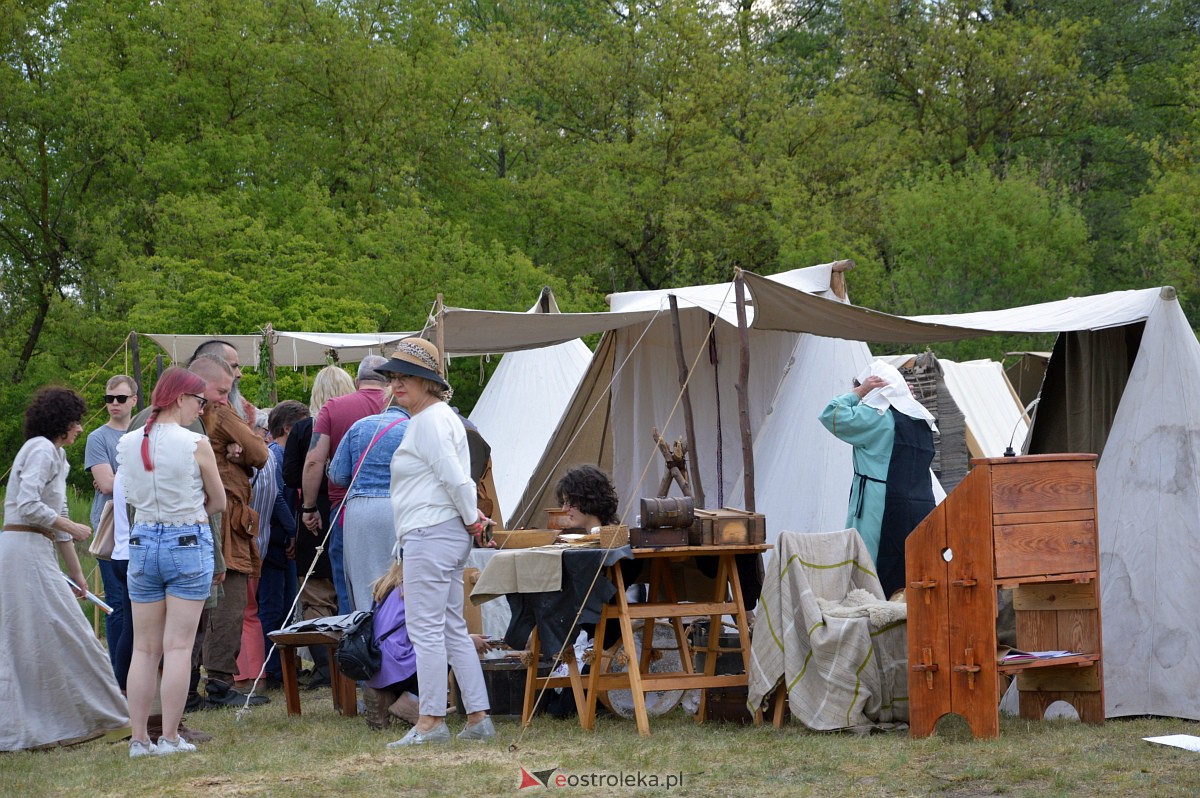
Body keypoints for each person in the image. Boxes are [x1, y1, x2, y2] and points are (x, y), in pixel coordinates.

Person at [0, 387, 128, 752]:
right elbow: (27, 505)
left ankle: (90, 718)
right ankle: (108, 717)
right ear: (62, 421)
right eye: (75, 421)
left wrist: (78, 575)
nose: (79, 428)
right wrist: (70, 528)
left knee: (52, 634)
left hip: (35, 549)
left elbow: (59, 521)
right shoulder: (41, 449)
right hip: (21, 550)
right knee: (46, 634)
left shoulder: (55, 454)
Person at [381, 338, 493, 746]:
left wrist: (471, 518)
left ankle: (430, 721)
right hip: (439, 531)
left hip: (431, 532)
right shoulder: (439, 417)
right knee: (449, 629)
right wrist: (470, 518)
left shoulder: (428, 420)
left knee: (425, 630)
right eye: (394, 377)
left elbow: (453, 476)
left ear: (428, 382)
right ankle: (477, 716)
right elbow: (453, 478)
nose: (398, 384)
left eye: (407, 377)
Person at [118, 367, 226, 756]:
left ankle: (138, 739)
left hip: (143, 542)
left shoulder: (128, 443)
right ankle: (168, 737)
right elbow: (219, 501)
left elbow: (130, 500)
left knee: (144, 649)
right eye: (199, 402)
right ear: (181, 398)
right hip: (186, 540)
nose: (201, 410)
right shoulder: (195, 442)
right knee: (178, 648)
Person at [818, 360, 937, 597]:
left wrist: (858, 392)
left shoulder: (876, 416)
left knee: (872, 566)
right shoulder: (921, 418)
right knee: (914, 568)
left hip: (880, 502)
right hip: (922, 504)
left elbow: (831, 414)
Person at [282, 366, 354, 689]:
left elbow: (289, 475)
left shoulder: (301, 430)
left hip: (312, 516)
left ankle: (325, 666)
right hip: (346, 512)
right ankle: (349, 661)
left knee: (314, 596)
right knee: (345, 590)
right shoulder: (357, 424)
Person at [301, 356, 389, 615]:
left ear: (357, 381)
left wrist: (309, 507)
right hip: (400, 506)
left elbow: (314, 461)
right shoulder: (402, 405)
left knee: (348, 584)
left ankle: (355, 647)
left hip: (347, 507)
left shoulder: (334, 407)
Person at [362, 562, 493, 730]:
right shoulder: (417, 591)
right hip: (398, 666)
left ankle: (384, 695)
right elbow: (434, 635)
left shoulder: (386, 587)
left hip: (377, 666)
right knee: (445, 652)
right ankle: (412, 699)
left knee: (424, 652)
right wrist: (468, 640)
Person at [328, 393, 409, 610]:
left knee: (363, 586)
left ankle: (366, 637)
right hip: (400, 508)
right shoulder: (415, 429)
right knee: (400, 580)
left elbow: (336, 474)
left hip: (360, 510)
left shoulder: (359, 426)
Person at [84, 373, 137, 679]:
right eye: (109, 399)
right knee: (117, 603)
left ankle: (136, 672)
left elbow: (114, 481)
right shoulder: (98, 437)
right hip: (110, 528)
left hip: (141, 526)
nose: (114, 404)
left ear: (133, 400)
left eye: (120, 398)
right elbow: (105, 484)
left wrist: (119, 479)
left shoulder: (144, 430)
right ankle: (119, 678)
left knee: (138, 603)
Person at [556, 464, 620, 529]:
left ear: (588, 500)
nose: (564, 509)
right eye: (564, 502)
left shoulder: (612, 537)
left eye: (570, 502)